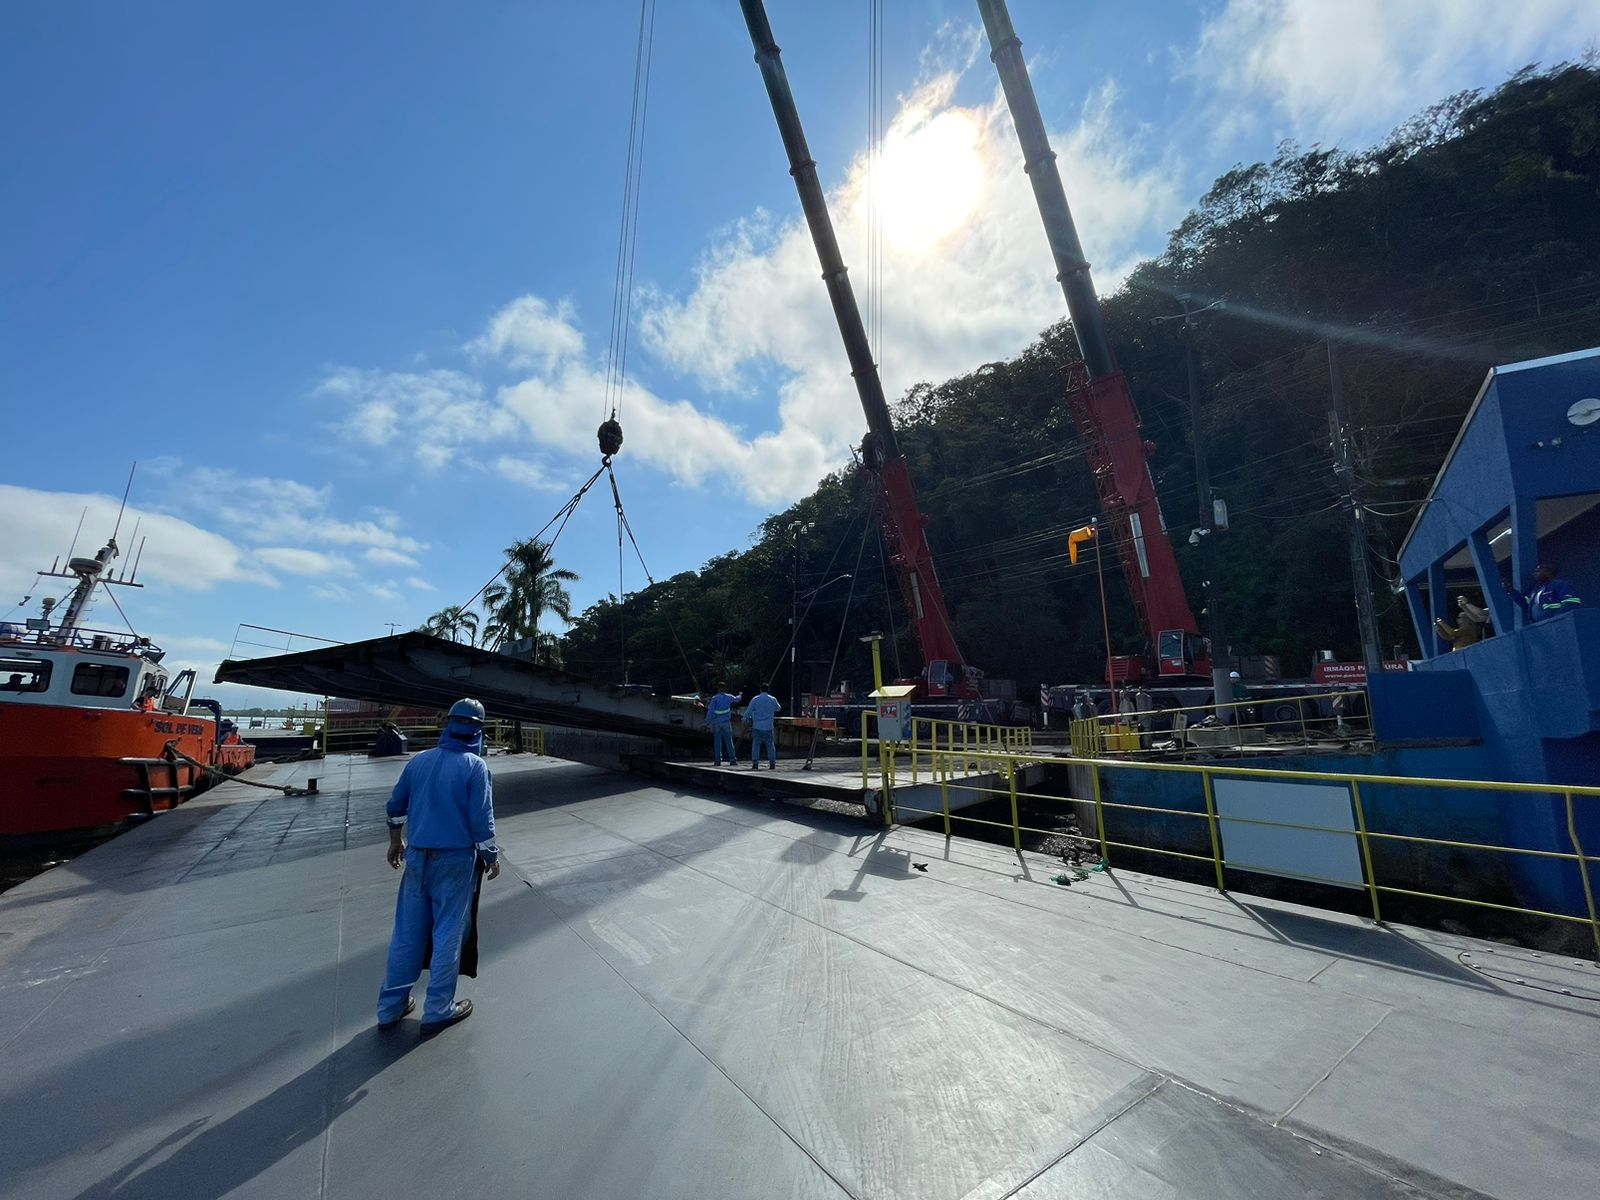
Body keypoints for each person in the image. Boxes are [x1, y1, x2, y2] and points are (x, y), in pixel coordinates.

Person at [377, 697, 500, 1035]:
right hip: (455, 861)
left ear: (449, 724)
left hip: (416, 856)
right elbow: (481, 823)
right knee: (447, 932)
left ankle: (390, 1008)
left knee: (406, 933)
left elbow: (395, 807)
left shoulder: (419, 762)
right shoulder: (475, 767)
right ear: (477, 729)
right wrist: (491, 856)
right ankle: (438, 1009)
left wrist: (394, 841)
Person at [1507, 563, 1582, 623]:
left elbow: (1571, 602)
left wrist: (1556, 619)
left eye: (1538, 571)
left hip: (1557, 624)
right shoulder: (1535, 590)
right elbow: (1525, 603)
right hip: (1540, 627)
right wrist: (1511, 591)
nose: (1535, 574)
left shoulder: (1559, 584)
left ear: (1548, 572)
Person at [743, 684, 783, 769]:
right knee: (770, 746)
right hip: (768, 726)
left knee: (756, 745)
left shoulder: (755, 699)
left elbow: (749, 711)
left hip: (757, 726)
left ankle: (755, 763)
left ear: (760, 689)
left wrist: (744, 719)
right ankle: (772, 764)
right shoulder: (772, 699)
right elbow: (778, 708)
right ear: (768, 690)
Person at [704, 681, 739, 767]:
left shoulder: (715, 698)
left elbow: (710, 711)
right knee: (729, 741)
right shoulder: (728, 697)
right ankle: (732, 760)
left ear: (718, 689)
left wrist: (706, 723)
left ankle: (718, 761)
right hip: (726, 723)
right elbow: (737, 699)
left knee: (717, 742)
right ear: (725, 688)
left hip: (716, 723)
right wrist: (740, 695)